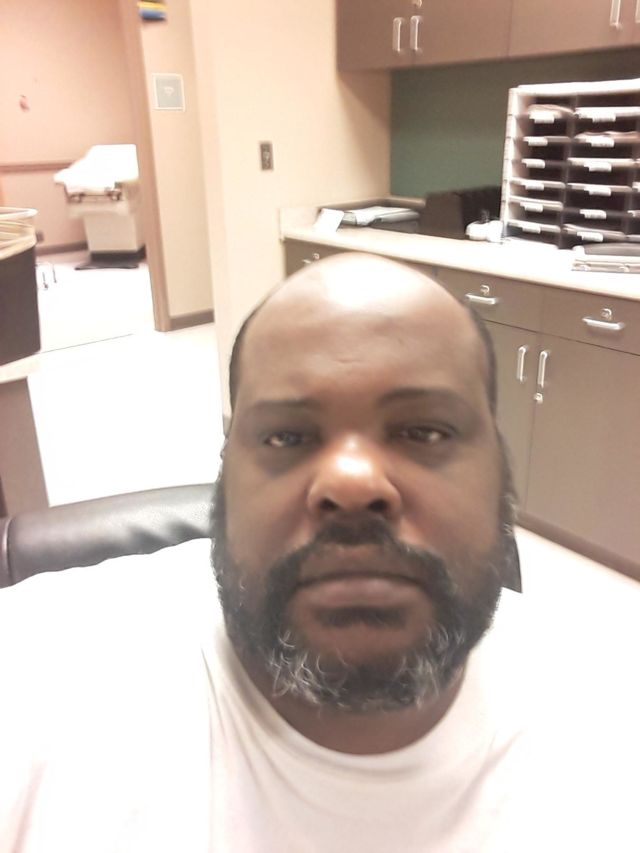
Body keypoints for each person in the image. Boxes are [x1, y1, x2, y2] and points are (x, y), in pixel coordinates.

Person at [0, 253, 638, 852]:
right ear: (226, 470)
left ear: (500, 469)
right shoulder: (39, 674)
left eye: (424, 431)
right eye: (286, 436)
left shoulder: (612, 716)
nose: (353, 483)